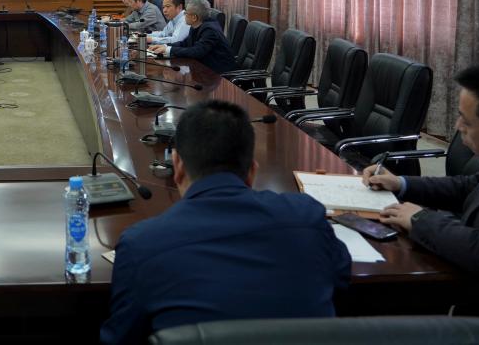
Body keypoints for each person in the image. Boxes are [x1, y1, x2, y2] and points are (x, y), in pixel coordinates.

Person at [101, 100, 350, 344]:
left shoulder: (141, 245)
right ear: (252, 171)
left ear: (177, 165)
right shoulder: (307, 216)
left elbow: (121, 336)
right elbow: (341, 278)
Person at [364, 62, 479, 306]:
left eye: (467, 121)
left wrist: (419, 219)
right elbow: (467, 187)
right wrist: (400, 183)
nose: (457, 126)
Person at [149, 0, 237, 73]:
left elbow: (197, 51)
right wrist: (165, 46)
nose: (184, 15)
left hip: (219, 73)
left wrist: (169, 50)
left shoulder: (210, 30)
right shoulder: (196, 25)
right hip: (204, 68)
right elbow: (185, 43)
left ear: (194, 17)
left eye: (186, 13)